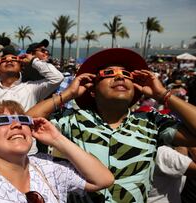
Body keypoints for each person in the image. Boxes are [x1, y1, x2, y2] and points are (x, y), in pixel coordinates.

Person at [27, 48, 196, 202]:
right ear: (92, 90)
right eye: (108, 73)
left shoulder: (151, 121)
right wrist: (68, 94)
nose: (120, 76)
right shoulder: (72, 119)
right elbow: (26, 122)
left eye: (126, 74)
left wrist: (164, 95)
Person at [0, 100, 114, 203]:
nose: (16, 125)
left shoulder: (49, 167)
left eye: (23, 119)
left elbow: (103, 179)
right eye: (2, 121)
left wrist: (57, 139)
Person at [0, 45, 64, 154]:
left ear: (21, 67)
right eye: (4, 60)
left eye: (14, 59)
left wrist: (34, 61)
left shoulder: (32, 88)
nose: (9, 61)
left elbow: (57, 78)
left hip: (28, 151)